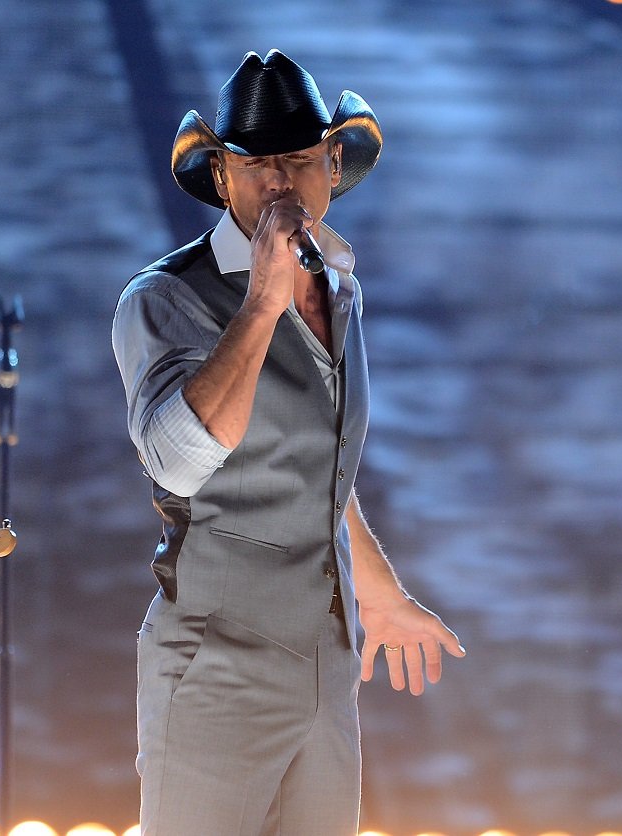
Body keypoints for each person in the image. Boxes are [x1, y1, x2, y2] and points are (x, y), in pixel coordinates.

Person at [112, 49, 465, 836]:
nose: (279, 183)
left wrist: (380, 592)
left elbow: (319, 473)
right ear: (222, 176)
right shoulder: (166, 297)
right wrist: (262, 302)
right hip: (216, 666)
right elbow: (176, 457)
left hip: (323, 670)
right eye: (257, 163)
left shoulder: (339, 288)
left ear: (332, 167)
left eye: (299, 161)